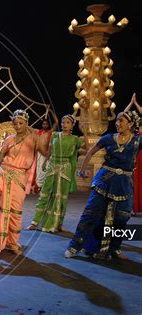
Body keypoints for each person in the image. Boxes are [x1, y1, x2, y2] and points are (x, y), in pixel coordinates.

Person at [0, 109, 47, 258]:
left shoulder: (34, 139)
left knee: (15, 212)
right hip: (3, 171)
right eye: (15, 123)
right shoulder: (9, 139)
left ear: (27, 123)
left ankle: (12, 243)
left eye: (21, 123)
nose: (18, 126)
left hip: (19, 177)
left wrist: (37, 138)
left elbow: (46, 153)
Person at [66, 110, 141, 260]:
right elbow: (90, 152)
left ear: (131, 124)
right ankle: (75, 245)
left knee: (121, 217)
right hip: (104, 179)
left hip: (124, 183)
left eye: (122, 121)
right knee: (91, 213)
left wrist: (137, 107)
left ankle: (114, 248)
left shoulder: (137, 141)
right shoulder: (108, 138)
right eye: (117, 120)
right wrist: (82, 171)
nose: (118, 123)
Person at [27, 114, 83, 233]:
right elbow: (50, 151)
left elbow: (86, 148)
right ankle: (35, 222)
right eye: (63, 122)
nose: (64, 125)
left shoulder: (75, 139)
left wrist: (86, 133)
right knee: (45, 194)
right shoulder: (55, 135)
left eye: (67, 122)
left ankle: (59, 224)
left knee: (61, 197)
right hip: (52, 166)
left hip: (65, 169)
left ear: (73, 125)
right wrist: (45, 162)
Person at [124, 93, 142, 216]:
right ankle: (132, 207)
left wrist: (136, 103)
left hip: (141, 157)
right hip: (132, 157)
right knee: (132, 182)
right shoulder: (132, 134)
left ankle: (137, 207)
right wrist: (131, 103)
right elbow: (123, 115)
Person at [33, 109, 58, 193]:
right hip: (39, 154)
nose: (45, 125)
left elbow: (56, 122)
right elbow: (28, 128)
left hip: (47, 154)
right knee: (39, 171)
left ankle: (45, 187)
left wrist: (51, 111)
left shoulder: (49, 132)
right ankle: (38, 187)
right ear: (41, 124)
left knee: (46, 170)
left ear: (48, 125)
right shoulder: (37, 132)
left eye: (46, 124)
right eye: (43, 123)